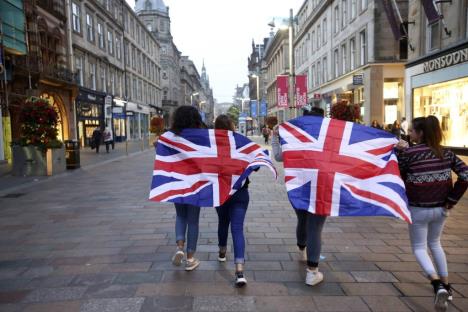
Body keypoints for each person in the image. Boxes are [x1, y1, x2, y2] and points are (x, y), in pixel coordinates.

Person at [396, 116, 468, 311]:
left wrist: (398, 151)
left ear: (420, 133)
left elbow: (397, 175)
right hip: (441, 209)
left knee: (419, 248)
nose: (409, 134)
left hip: (418, 208)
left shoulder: (409, 154)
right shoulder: (447, 153)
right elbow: (466, 174)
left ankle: (436, 285)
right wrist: (452, 200)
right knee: (435, 244)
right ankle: (447, 286)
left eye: (411, 131)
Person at [271, 104, 327, 286]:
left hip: (298, 186)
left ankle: (302, 251)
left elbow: (279, 157)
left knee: (302, 220)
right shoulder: (329, 135)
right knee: (315, 227)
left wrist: (274, 137)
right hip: (322, 186)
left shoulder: (296, 137)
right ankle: (312, 272)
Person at [214, 114, 252, 287]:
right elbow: (255, 164)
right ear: (231, 126)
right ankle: (239, 270)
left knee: (223, 222)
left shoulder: (210, 144)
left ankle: (222, 252)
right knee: (237, 228)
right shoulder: (241, 141)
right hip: (239, 192)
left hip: (220, 192)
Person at [170, 106, 205, 271]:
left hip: (177, 182)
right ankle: (190, 258)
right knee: (193, 220)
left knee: (180, 215)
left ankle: (179, 247)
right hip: (195, 184)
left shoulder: (170, 137)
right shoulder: (201, 137)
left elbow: (160, 149)